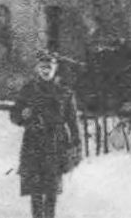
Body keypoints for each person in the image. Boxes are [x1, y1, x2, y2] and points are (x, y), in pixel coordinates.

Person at [9, 51, 81, 218]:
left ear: (55, 68)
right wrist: (22, 115)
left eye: (49, 67)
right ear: (37, 68)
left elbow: (73, 123)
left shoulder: (65, 93)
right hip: (33, 144)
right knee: (35, 192)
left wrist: (76, 147)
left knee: (51, 192)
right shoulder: (28, 90)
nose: (46, 70)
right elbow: (14, 115)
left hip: (55, 145)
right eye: (42, 67)